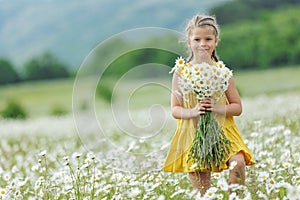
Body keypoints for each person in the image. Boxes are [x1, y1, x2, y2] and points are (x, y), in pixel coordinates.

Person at [163, 15, 255, 197]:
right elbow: (175, 109)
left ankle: (234, 196)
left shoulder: (223, 72)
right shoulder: (181, 71)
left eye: (208, 39)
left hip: (224, 130)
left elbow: (237, 107)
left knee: (238, 161)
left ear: (216, 41)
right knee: (203, 193)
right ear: (189, 42)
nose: (202, 44)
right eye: (197, 39)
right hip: (194, 134)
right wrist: (194, 111)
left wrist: (218, 108)